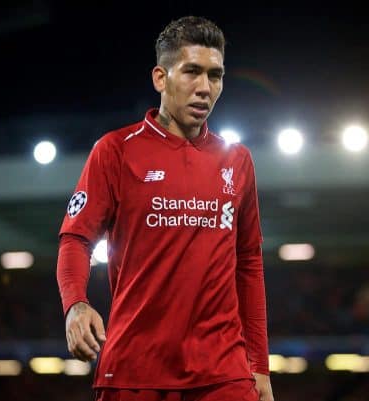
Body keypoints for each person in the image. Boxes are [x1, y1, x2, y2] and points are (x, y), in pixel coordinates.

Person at [56, 16, 273, 401]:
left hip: (224, 374)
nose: (205, 88)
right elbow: (75, 237)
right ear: (161, 78)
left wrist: (258, 366)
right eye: (192, 72)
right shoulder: (116, 151)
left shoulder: (237, 160)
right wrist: (76, 304)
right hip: (134, 370)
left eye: (215, 75)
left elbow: (249, 262)